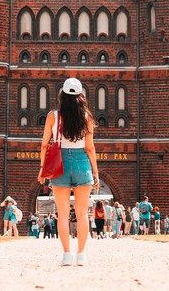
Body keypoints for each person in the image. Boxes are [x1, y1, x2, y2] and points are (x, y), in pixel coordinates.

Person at [38, 77, 99, 266]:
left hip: (59, 163)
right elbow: (90, 148)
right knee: (82, 214)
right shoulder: (87, 118)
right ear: (81, 96)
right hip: (82, 162)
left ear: (62, 95)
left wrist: (42, 170)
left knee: (62, 214)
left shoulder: (52, 116)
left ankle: (66, 254)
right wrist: (95, 172)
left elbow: (44, 145)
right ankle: (81, 255)